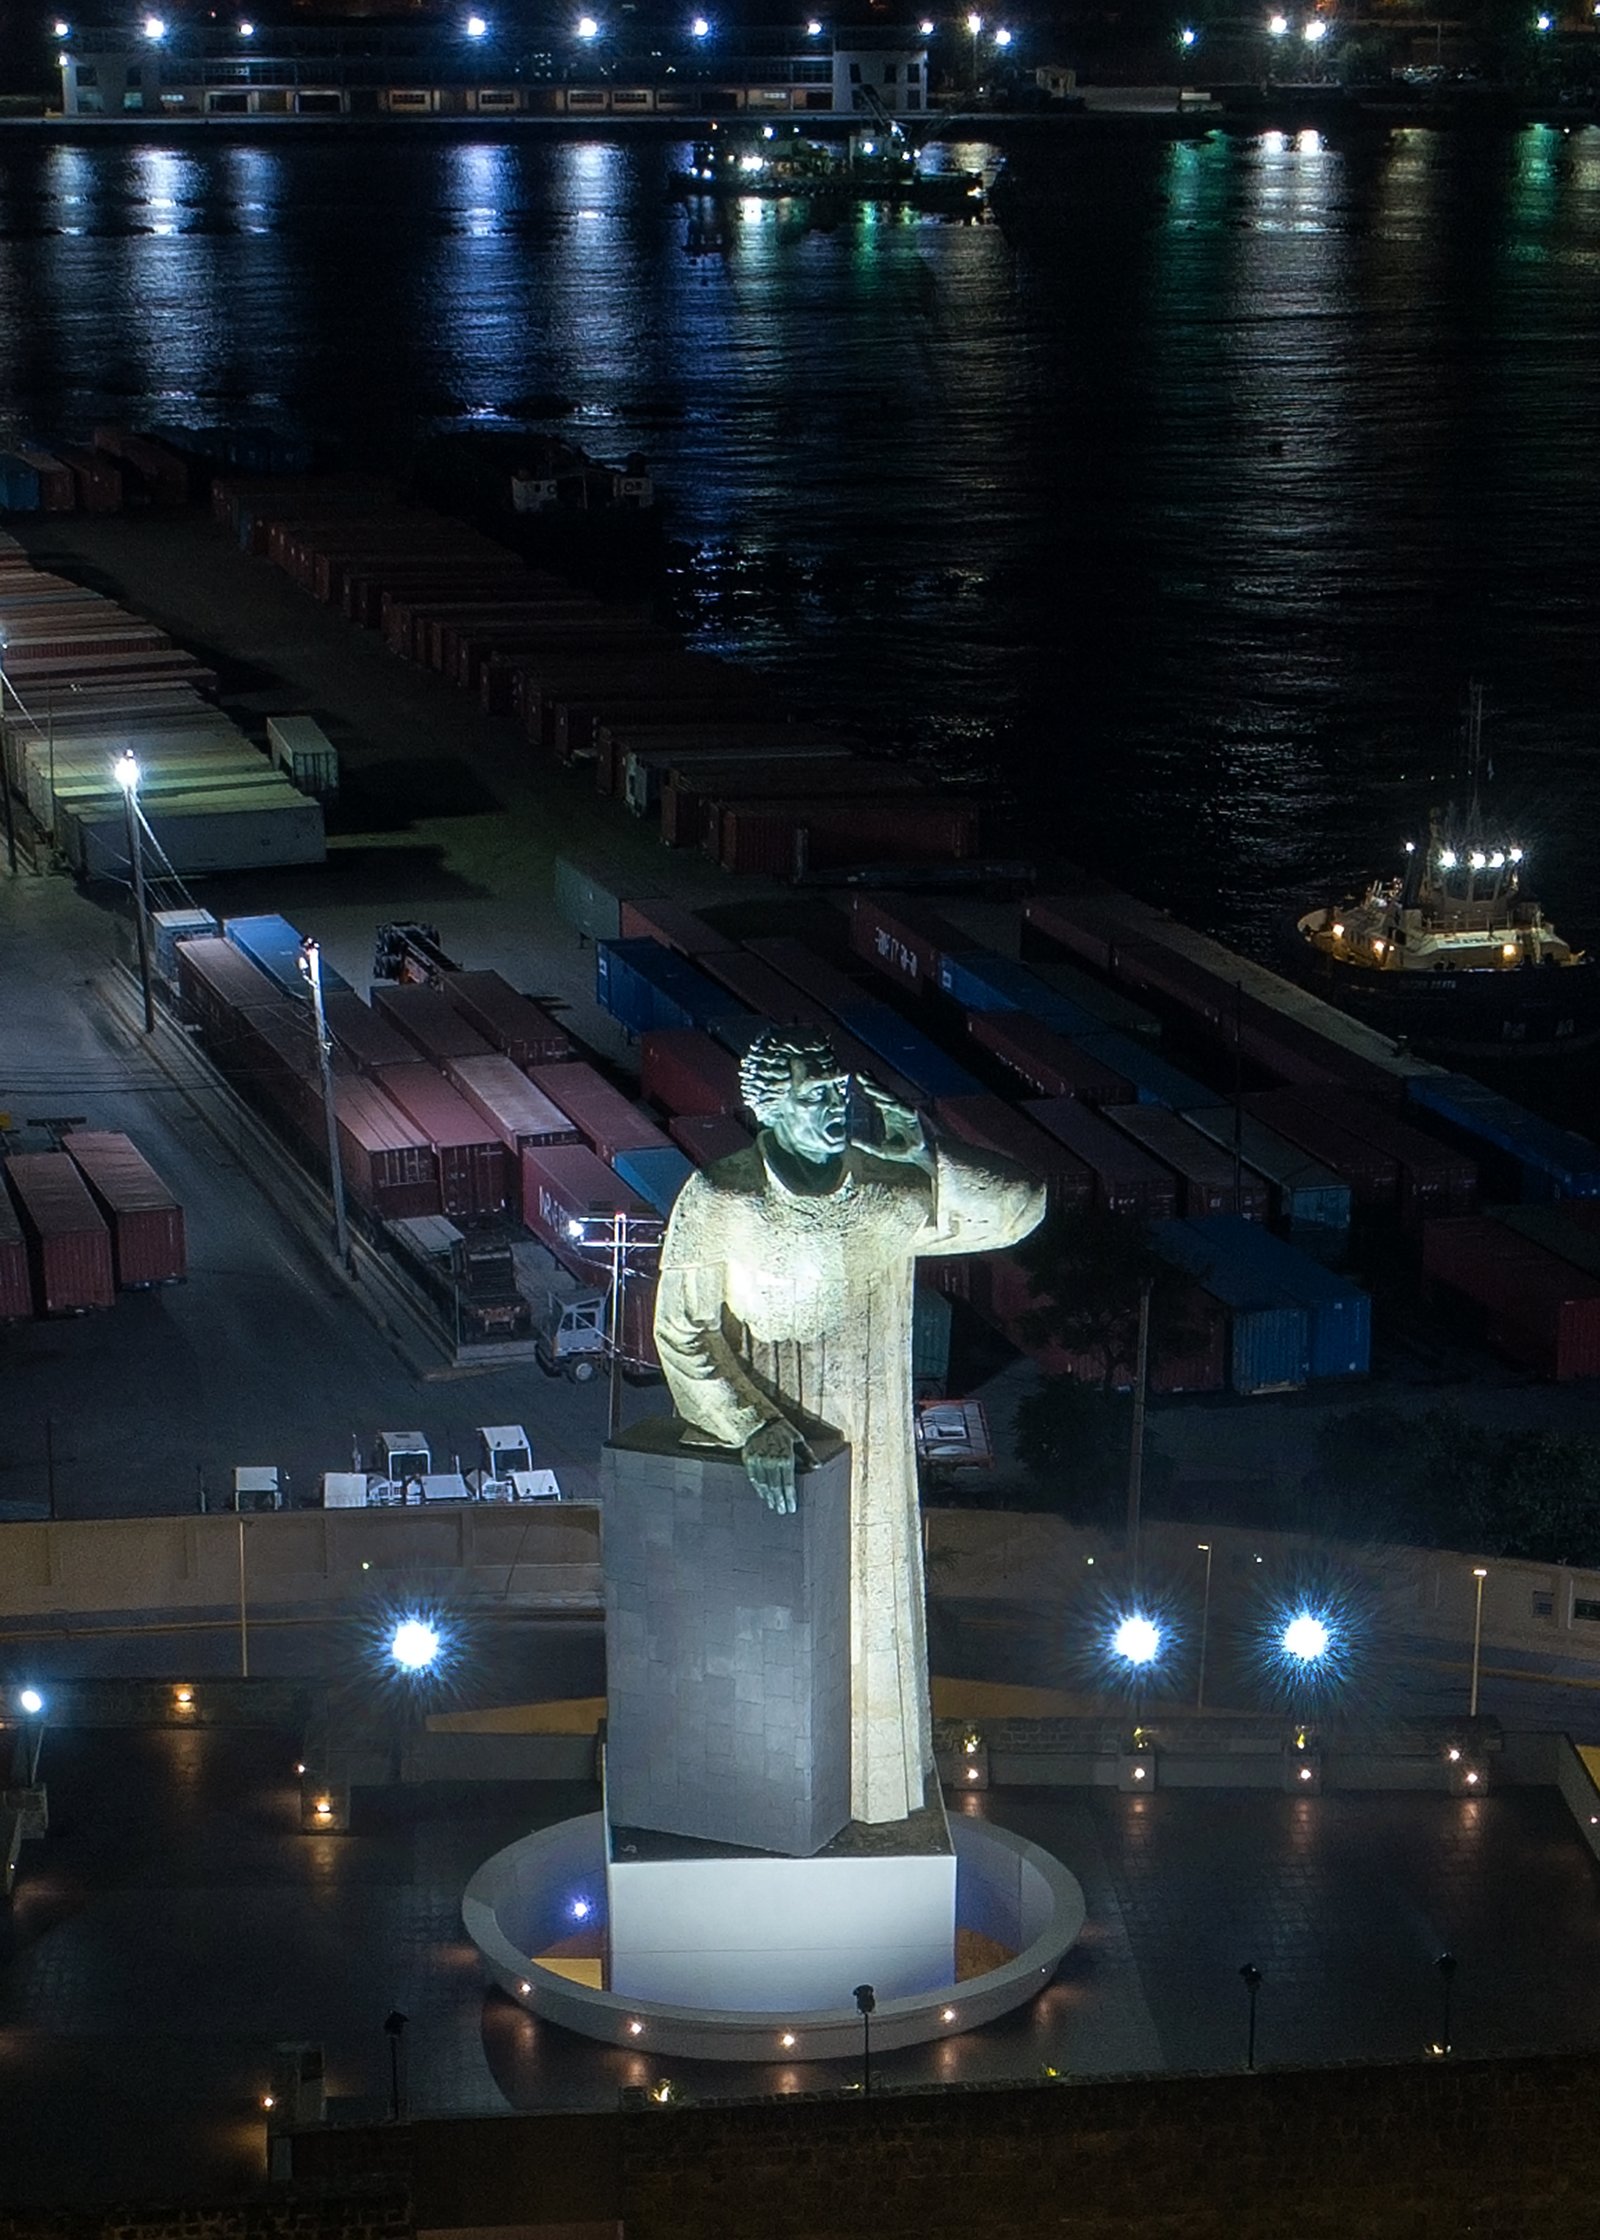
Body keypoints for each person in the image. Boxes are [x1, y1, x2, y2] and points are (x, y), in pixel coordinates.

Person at [654, 1027, 1045, 1827]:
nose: (835, 1109)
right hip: (777, 1440)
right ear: (768, 1109)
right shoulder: (724, 1200)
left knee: (873, 1618)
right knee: (772, 1633)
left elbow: (1020, 1208)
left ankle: (872, 1795)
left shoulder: (888, 1191)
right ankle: (768, 1804)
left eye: (840, 1092)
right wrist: (749, 1427)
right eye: (813, 1097)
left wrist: (924, 1150)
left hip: (874, 1446)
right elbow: (681, 1330)